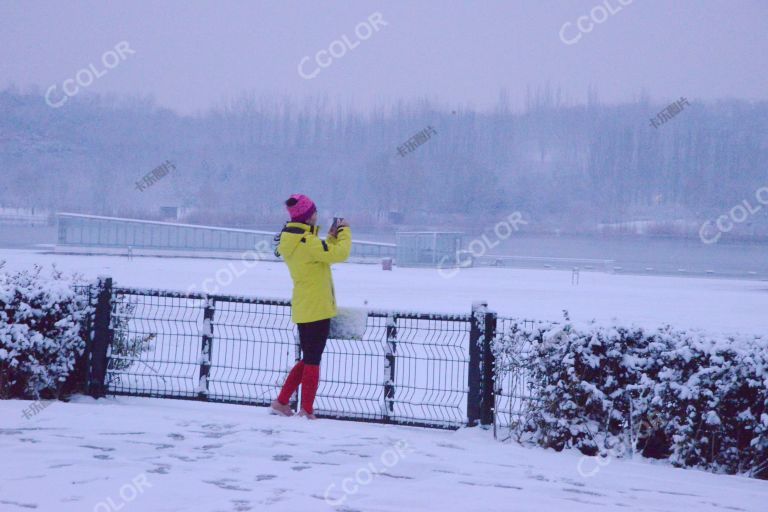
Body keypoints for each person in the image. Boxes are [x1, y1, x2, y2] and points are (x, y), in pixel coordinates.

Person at [270, 194, 351, 419]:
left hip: (304, 307)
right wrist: (344, 232)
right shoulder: (307, 241)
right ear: (307, 216)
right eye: (314, 212)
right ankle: (306, 410)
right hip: (317, 309)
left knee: (308, 358)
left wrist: (331, 239)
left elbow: (322, 254)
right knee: (313, 360)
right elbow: (340, 254)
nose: (317, 215)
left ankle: (282, 402)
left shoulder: (295, 240)